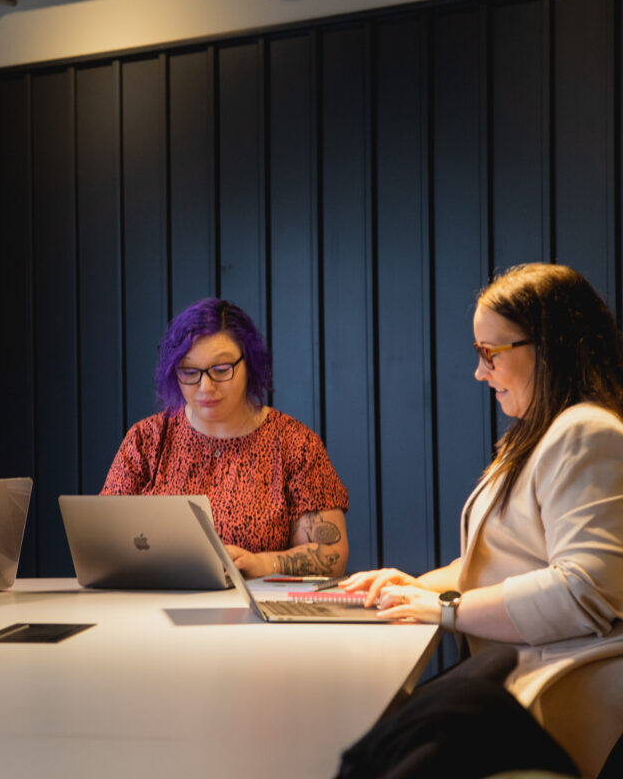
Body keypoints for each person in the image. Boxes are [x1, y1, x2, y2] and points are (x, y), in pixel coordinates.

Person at [341, 263, 623, 776]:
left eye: (489, 353)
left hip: (562, 689)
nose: (479, 372)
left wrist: (444, 607)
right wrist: (414, 587)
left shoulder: (585, 431)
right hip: (516, 673)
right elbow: (504, 562)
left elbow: (583, 591)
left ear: (549, 346)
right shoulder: (540, 433)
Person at [102, 298, 349, 577]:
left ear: (250, 363)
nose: (205, 387)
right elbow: (102, 542)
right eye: (189, 372)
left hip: (256, 610)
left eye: (221, 370)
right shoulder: (145, 440)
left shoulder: (295, 444)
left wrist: (264, 564)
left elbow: (331, 553)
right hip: (151, 606)